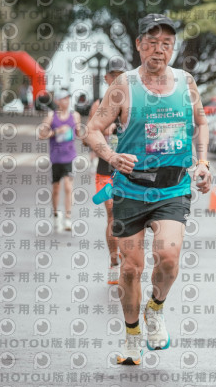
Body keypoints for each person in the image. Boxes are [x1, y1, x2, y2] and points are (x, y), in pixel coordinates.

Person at [86, 13, 211, 365]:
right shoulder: (123, 85)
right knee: (130, 268)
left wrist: (203, 162)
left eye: (167, 43)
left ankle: (155, 308)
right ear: (139, 44)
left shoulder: (186, 82)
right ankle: (132, 336)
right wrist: (111, 155)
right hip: (130, 189)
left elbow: (201, 122)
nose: (159, 49)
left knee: (168, 258)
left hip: (173, 187)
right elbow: (92, 130)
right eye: (152, 42)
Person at [88, 58, 128, 285]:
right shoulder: (98, 105)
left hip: (130, 169)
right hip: (106, 170)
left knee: (130, 218)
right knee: (112, 214)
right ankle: (114, 261)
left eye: (121, 75)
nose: (117, 79)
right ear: (106, 78)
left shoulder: (133, 101)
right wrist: (105, 131)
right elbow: (87, 137)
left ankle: (128, 259)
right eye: (113, 75)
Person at [38, 88, 82, 231]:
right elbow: (41, 135)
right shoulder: (51, 116)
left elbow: (79, 133)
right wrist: (57, 131)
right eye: (63, 99)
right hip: (56, 158)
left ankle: (68, 218)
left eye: (68, 98)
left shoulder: (75, 116)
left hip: (70, 156)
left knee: (68, 187)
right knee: (56, 188)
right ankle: (56, 215)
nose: (66, 101)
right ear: (57, 101)